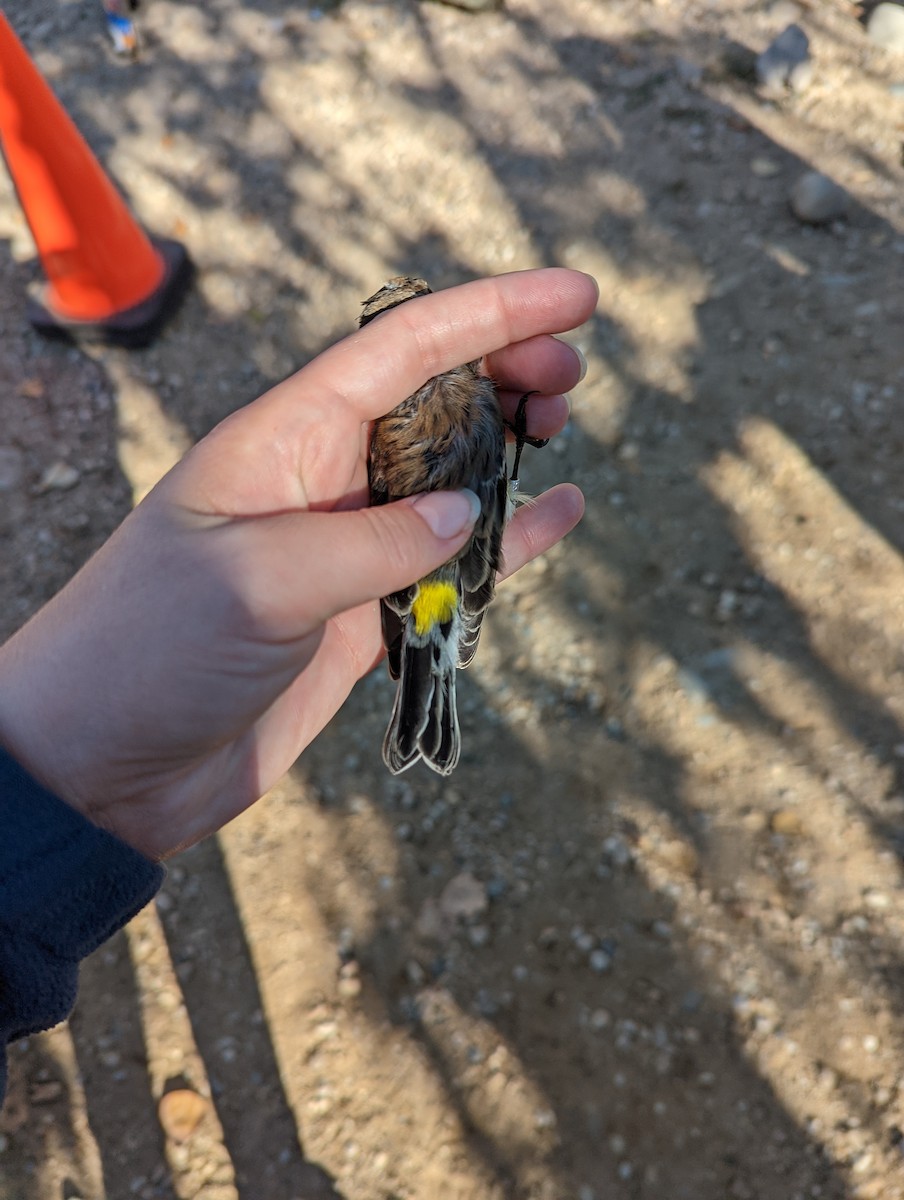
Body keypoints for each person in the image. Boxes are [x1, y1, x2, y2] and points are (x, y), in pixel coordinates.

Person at [0, 267, 598, 1095]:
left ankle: (426, 698)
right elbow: (487, 496)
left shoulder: (398, 425)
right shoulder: (474, 414)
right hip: (449, 561)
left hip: (430, 567)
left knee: (427, 631)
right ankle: (430, 700)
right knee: (432, 632)